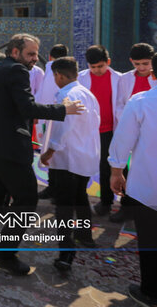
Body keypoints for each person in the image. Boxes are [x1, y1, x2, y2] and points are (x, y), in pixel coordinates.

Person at [0, 33, 84, 275]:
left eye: (36, 54)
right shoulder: (17, 72)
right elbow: (27, 107)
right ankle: (5, 254)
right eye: (31, 54)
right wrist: (64, 109)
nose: (35, 59)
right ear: (15, 52)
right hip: (9, 149)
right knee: (26, 200)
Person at [108, 50, 157, 307]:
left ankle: (152, 293)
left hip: (148, 191)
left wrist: (116, 171)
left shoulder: (140, 101)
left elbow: (122, 142)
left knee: (152, 245)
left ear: (153, 74)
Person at [39, 57, 100, 271]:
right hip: (84, 156)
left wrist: (49, 151)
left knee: (64, 206)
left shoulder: (67, 95)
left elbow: (63, 128)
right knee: (80, 198)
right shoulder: (87, 93)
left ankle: (66, 253)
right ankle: (85, 236)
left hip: (67, 159)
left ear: (59, 75)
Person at [76, 45, 122, 218]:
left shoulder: (119, 79)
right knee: (83, 166)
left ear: (108, 62)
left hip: (110, 130)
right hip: (88, 130)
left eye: (100, 66)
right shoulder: (80, 78)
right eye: (92, 67)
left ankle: (108, 202)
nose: (96, 70)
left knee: (110, 167)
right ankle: (81, 202)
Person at [35, 43, 69, 201]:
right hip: (60, 117)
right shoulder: (69, 71)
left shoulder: (50, 69)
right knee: (56, 155)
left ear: (49, 57)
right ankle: (55, 188)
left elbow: (43, 95)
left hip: (49, 118)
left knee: (52, 154)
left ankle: (55, 189)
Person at [115, 43, 157, 121]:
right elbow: (119, 104)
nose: (141, 67)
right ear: (131, 60)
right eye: (137, 64)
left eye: (145, 63)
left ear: (153, 59)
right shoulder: (124, 78)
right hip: (130, 123)